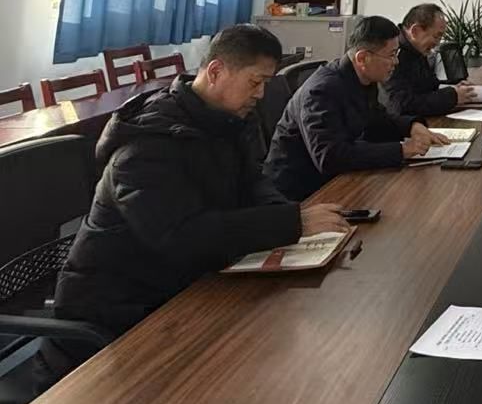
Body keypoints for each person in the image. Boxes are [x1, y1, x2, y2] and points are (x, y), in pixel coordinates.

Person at [52, 25, 350, 344]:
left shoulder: (227, 118)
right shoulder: (147, 144)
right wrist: (292, 222)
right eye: (255, 82)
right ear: (216, 71)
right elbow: (182, 235)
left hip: (187, 283)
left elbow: (253, 182)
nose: (261, 94)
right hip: (119, 313)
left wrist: (291, 220)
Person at [265, 16, 449, 201]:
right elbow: (330, 157)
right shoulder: (322, 91)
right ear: (362, 58)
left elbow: (377, 120)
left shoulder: (363, 79)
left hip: (336, 179)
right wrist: (402, 150)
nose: (396, 62)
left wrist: (412, 127)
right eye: (391, 55)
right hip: (300, 193)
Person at [380, 2, 477, 119]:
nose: (438, 43)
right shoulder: (394, 53)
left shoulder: (416, 49)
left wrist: (454, 88)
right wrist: (452, 96)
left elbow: (428, 87)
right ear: (415, 31)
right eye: (436, 36)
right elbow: (400, 105)